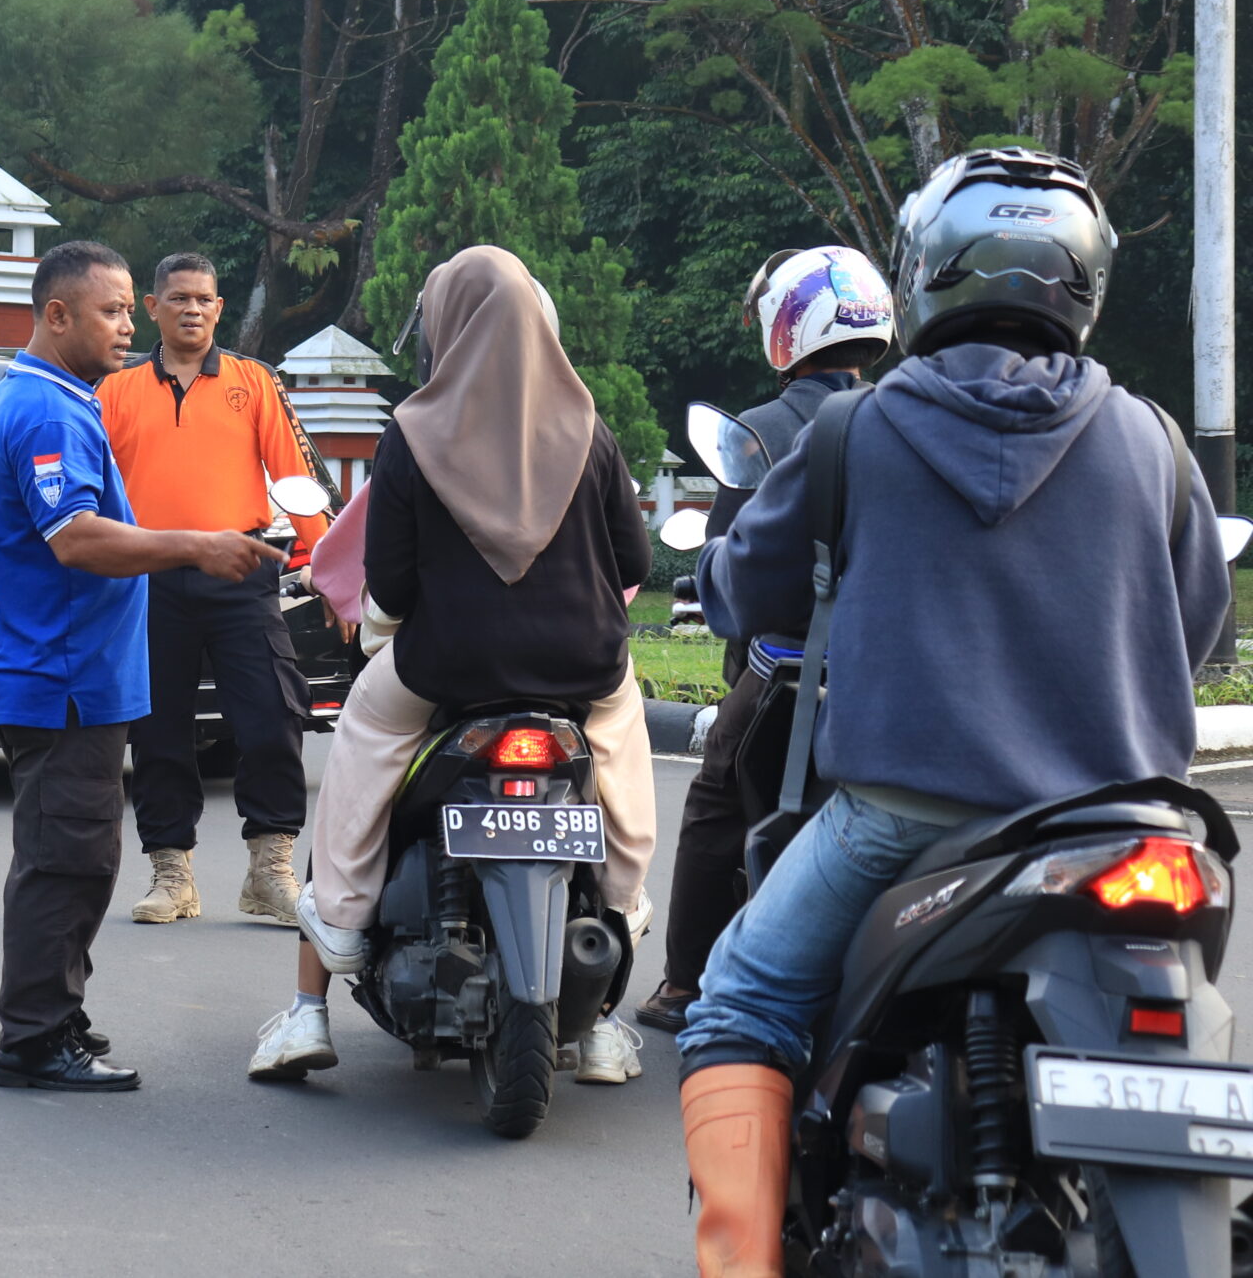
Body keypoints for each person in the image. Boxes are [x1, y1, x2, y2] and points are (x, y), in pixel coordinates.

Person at [677, 149, 1229, 1276]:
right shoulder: (1154, 440)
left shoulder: (856, 431)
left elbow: (746, 588)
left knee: (736, 1001)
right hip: (1132, 824)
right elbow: (1202, 635)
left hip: (902, 815)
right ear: (1084, 280)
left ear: (926, 271)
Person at [245, 246, 658, 1086]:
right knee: (618, 759)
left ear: (446, 328)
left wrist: (389, 625)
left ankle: (313, 998)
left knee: (363, 742)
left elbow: (388, 583)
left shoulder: (413, 433)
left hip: (448, 669)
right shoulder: (589, 425)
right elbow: (634, 557)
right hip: (584, 665)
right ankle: (609, 1004)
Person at [0, 239, 279, 1092]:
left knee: (80, 854)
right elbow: (72, 536)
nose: (125, 327)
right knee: (64, 857)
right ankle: (32, 1038)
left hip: (73, 671)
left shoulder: (52, 396)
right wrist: (197, 545)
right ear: (57, 313)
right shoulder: (48, 411)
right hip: (60, 674)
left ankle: (55, 1014)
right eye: (109, 311)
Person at [632, 246, 894, 1033]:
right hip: (891, 674)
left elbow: (734, 565)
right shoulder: (903, 418)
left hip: (786, 669)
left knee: (714, 799)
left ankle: (684, 983)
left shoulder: (764, 430)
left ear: (788, 327)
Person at [96, 252, 329, 926]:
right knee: (159, 730)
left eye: (203, 298)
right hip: (148, 578)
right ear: (153, 306)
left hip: (241, 570)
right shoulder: (116, 390)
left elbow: (291, 474)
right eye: (178, 298)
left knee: (273, 718)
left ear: (219, 308)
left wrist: (319, 554)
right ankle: (172, 873)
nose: (192, 308)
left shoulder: (253, 382)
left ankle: (271, 869)